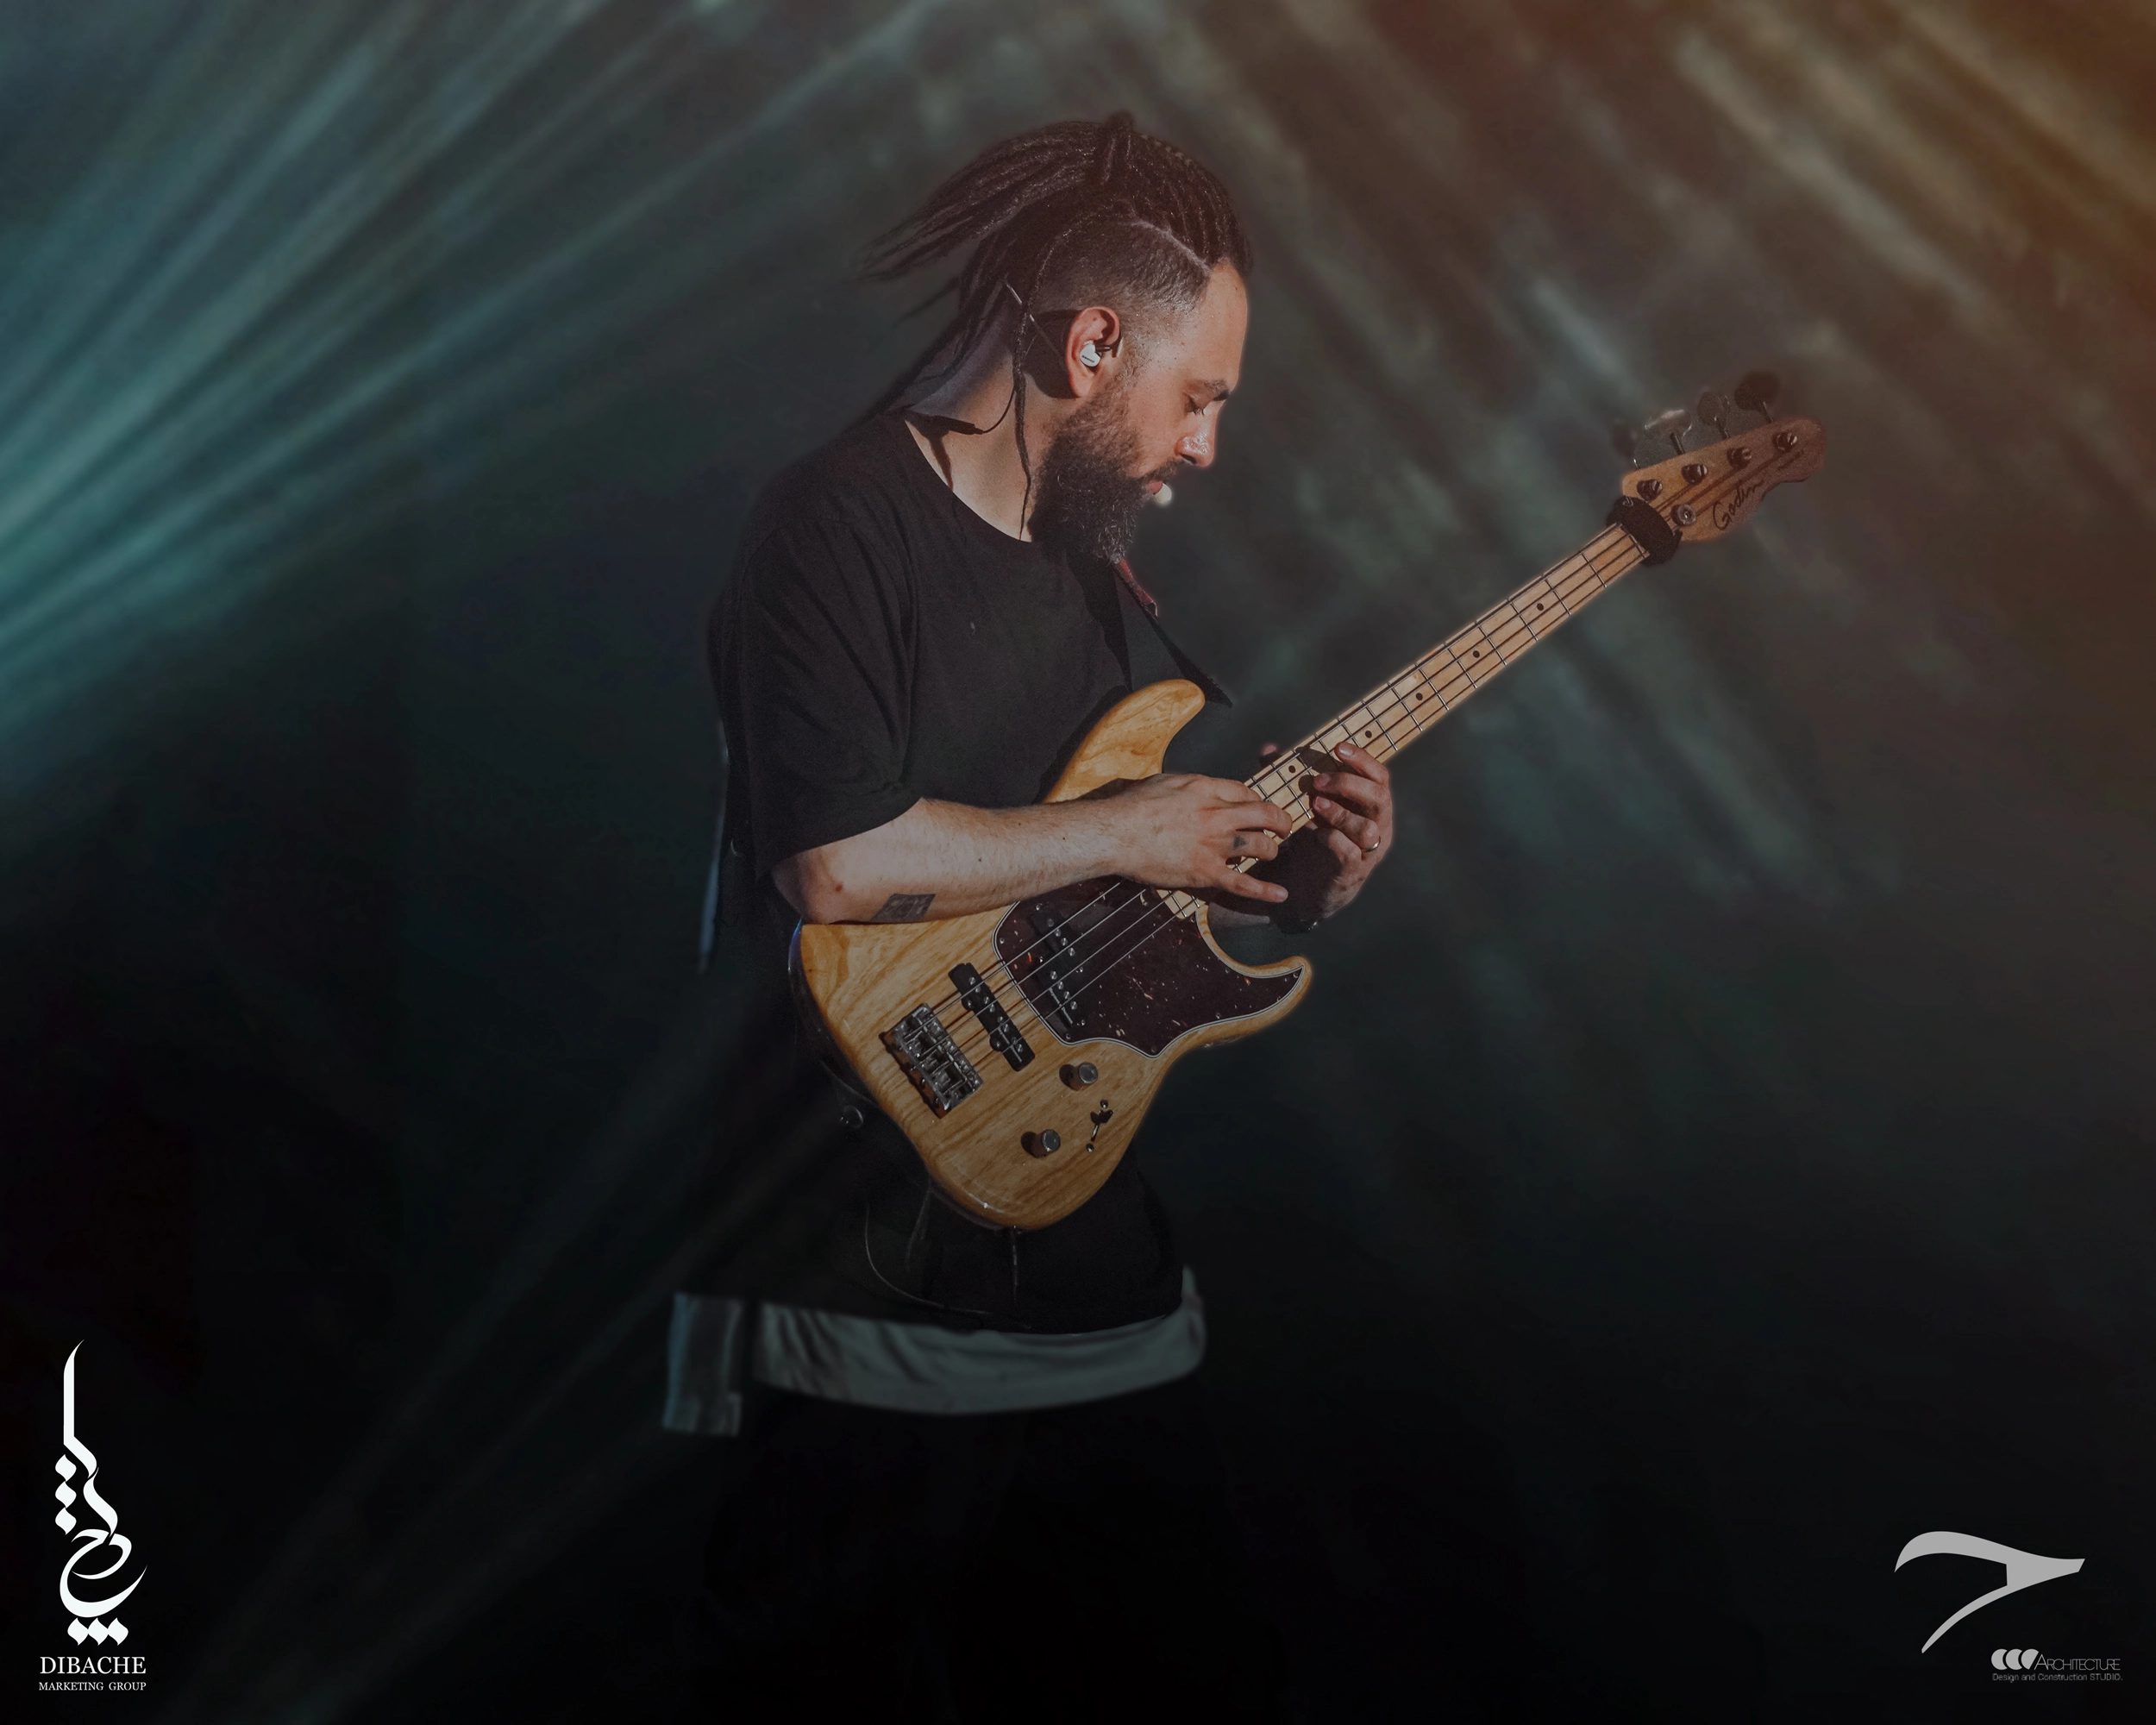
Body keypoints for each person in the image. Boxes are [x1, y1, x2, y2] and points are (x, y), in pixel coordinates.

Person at [683, 113, 1394, 1721]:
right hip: (859, 1265)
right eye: (1198, 396)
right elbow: (833, 864)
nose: (1205, 448)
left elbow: (1078, 897)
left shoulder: (1093, 576)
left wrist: (1296, 878)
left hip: (1080, 1249)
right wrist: (1131, 825)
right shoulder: (832, 521)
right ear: (1092, 346)